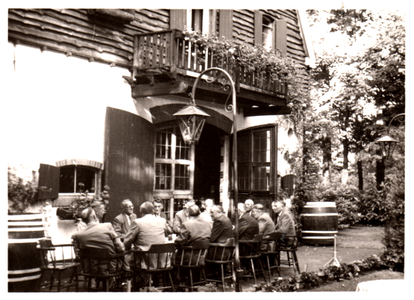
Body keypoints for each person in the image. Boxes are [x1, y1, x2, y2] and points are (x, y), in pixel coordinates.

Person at [72, 207, 125, 274]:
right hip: (111, 267)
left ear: (83, 220)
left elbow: (78, 252)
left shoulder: (78, 235)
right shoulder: (107, 226)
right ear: (94, 216)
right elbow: (121, 248)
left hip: (91, 269)